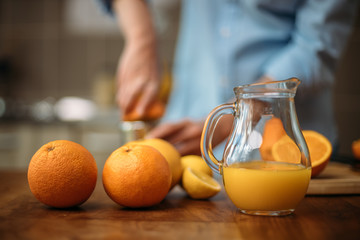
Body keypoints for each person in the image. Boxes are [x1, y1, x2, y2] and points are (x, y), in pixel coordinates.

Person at [100, 0, 358, 156]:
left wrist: (237, 117)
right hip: (188, 129)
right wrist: (142, 39)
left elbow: (314, 46)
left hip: (287, 145)